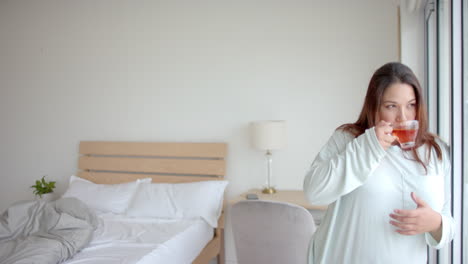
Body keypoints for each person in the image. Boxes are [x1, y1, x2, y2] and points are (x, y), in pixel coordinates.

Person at [303, 62, 455, 263]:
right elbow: (314, 192)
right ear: (375, 106)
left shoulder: (436, 151)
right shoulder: (349, 138)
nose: (403, 117)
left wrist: (436, 223)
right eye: (391, 106)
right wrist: (370, 146)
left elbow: (450, 223)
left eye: (411, 105)